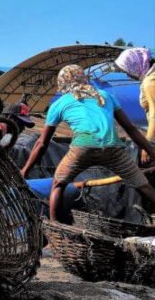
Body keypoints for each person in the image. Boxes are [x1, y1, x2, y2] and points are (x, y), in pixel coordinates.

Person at [21, 65, 155, 222]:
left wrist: (24, 171)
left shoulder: (59, 103)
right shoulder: (105, 96)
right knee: (143, 185)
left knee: (58, 184)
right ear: (84, 78)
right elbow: (130, 128)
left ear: (62, 82)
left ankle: (55, 227)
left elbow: (42, 143)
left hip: (82, 147)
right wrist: (152, 152)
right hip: (112, 147)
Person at [115, 47, 155, 163]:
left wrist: (148, 145)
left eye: (127, 70)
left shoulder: (150, 82)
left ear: (136, 64)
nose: (128, 75)